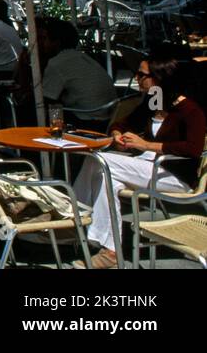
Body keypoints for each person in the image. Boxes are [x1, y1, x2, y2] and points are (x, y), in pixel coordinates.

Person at [72, 58, 206, 268]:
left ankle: (72, 220)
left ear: (160, 79)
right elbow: (123, 123)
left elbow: (193, 148)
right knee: (108, 179)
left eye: (142, 75)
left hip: (174, 175)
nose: (137, 78)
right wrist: (118, 135)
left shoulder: (190, 110)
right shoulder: (155, 101)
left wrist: (146, 145)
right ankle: (111, 251)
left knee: (100, 160)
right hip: (147, 167)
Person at [39, 16, 118, 126]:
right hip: (110, 116)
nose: (42, 44)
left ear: (56, 42)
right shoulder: (81, 57)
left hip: (88, 120)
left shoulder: (57, 63)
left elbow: (47, 100)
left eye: (45, 38)